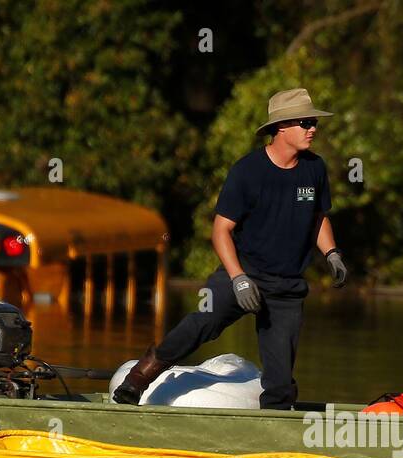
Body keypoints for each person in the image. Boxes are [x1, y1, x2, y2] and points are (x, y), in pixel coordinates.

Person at [114, 88, 348, 409]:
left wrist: (332, 253)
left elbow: (319, 217)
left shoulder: (314, 169)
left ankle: (275, 428)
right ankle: (139, 378)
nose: (313, 129)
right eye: (306, 122)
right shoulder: (248, 171)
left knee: (281, 378)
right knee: (202, 325)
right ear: (282, 127)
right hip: (241, 272)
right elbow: (221, 230)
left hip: (286, 287)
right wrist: (239, 279)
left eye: (314, 122)